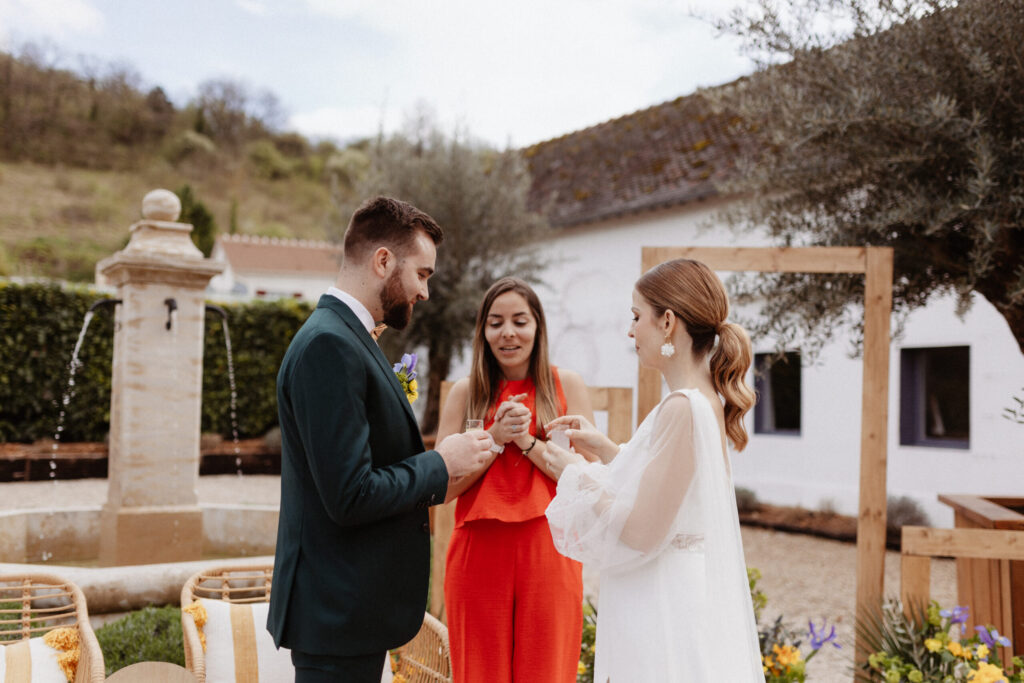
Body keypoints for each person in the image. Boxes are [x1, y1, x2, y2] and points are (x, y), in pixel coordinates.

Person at [267, 196, 494, 683]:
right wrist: (441, 463)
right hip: (335, 616)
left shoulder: (346, 337)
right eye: (423, 274)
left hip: (349, 614)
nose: (425, 292)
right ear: (383, 261)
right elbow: (349, 495)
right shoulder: (330, 344)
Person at [543, 258, 766, 682]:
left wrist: (575, 473)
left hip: (664, 603)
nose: (630, 331)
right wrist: (608, 450)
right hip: (668, 590)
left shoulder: (683, 407)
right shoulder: (698, 400)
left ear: (667, 322)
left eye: (635, 316)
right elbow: (672, 488)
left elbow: (643, 530)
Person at [435, 277, 594, 683]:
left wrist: (525, 441)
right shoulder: (465, 393)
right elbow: (441, 489)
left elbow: (589, 482)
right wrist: (494, 439)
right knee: (480, 672)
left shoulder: (566, 385)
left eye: (520, 321)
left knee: (546, 669)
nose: (508, 333)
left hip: (550, 547)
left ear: (538, 326)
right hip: (478, 549)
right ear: (483, 332)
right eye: (495, 322)